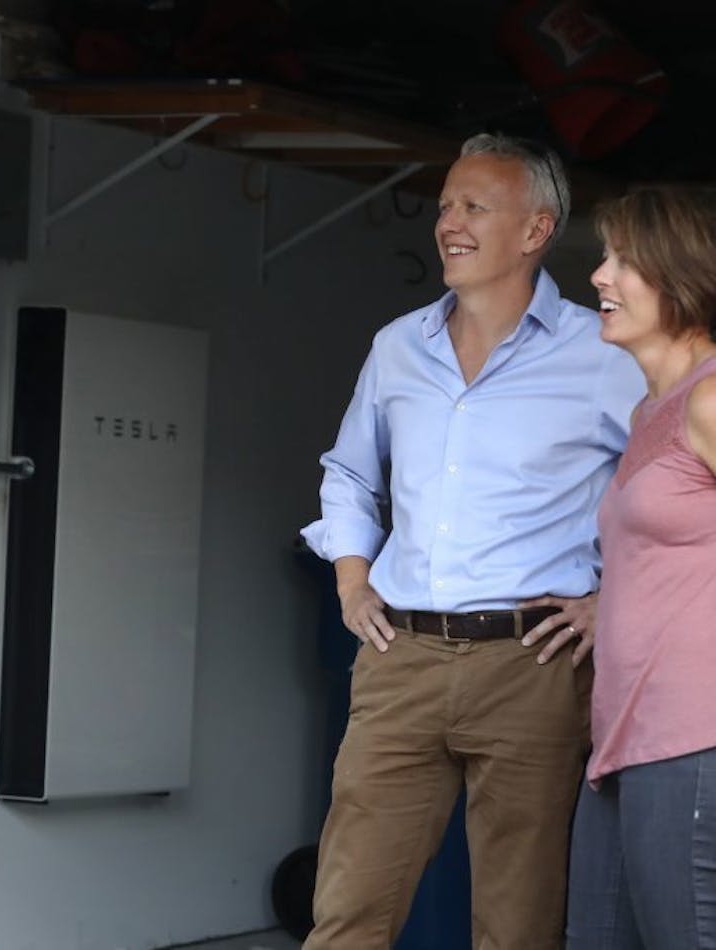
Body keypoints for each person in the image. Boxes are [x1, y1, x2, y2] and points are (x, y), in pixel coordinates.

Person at [298, 133, 645, 948]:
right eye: (446, 205)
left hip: (535, 665)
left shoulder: (603, 354)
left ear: (536, 231)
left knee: (519, 923)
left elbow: (672, 495)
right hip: (400, 660)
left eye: (474, 207)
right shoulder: (397, 347)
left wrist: (609, 604)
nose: (448, 222)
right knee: (348, 911)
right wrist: (352, 582)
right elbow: (349, 474)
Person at [566, 185, 716, 948]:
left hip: (694, 738)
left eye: (621, 259)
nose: (598, 276)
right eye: (603, 256)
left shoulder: (711, 400)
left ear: (680, 273)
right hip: (623, 739)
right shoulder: (646, 414)